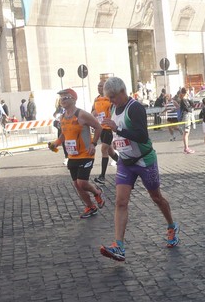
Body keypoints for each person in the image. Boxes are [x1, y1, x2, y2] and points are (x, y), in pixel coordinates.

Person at [99, 77, 179, 262]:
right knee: (120, 202)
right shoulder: (112, 108)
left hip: (144, 160)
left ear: (122, 92)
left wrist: (118, 129)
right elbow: (110, 129)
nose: (110, 101)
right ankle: (119, 246)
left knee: (156, 197)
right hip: (125, 162)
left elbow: (142, 136)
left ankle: (171, 226)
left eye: (112, 97)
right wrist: (101, 142)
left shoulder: (135, 108)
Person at [47, 88, 105, 219]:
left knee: (82, 183)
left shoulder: (82, 114)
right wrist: (55, 143)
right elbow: (64, 134)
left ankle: (97, 192)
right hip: (72, 155)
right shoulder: (62, 117)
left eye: (65, 98)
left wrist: (93, 143)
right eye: (61, 98)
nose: (62, 100)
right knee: (77, 185)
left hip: (86, 154)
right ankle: (91, 206)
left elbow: (98, 127)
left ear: (73, 99)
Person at [93, 79, 120, 185]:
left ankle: (102, 177)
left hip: (109, 128)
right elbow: (94, 111)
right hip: (101, 128)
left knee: (103, 149)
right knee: (110, 152)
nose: (99, 87)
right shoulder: (96, 99)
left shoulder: (110, 99)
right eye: (98, 86)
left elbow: (115, 111)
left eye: (101, 86)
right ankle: (124, 165)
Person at [179, 87, 195, 154]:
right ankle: (186, 147)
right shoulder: (183, 100)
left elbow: (192, 105)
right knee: (186, 132)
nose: (189, 92)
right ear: (186, 92)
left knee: (187, 133)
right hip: (186, 117)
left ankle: (186, 147)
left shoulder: (186, 99)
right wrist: (191, 108)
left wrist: (189, 98)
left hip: (189, 116)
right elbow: (188, 109)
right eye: (188, 91)